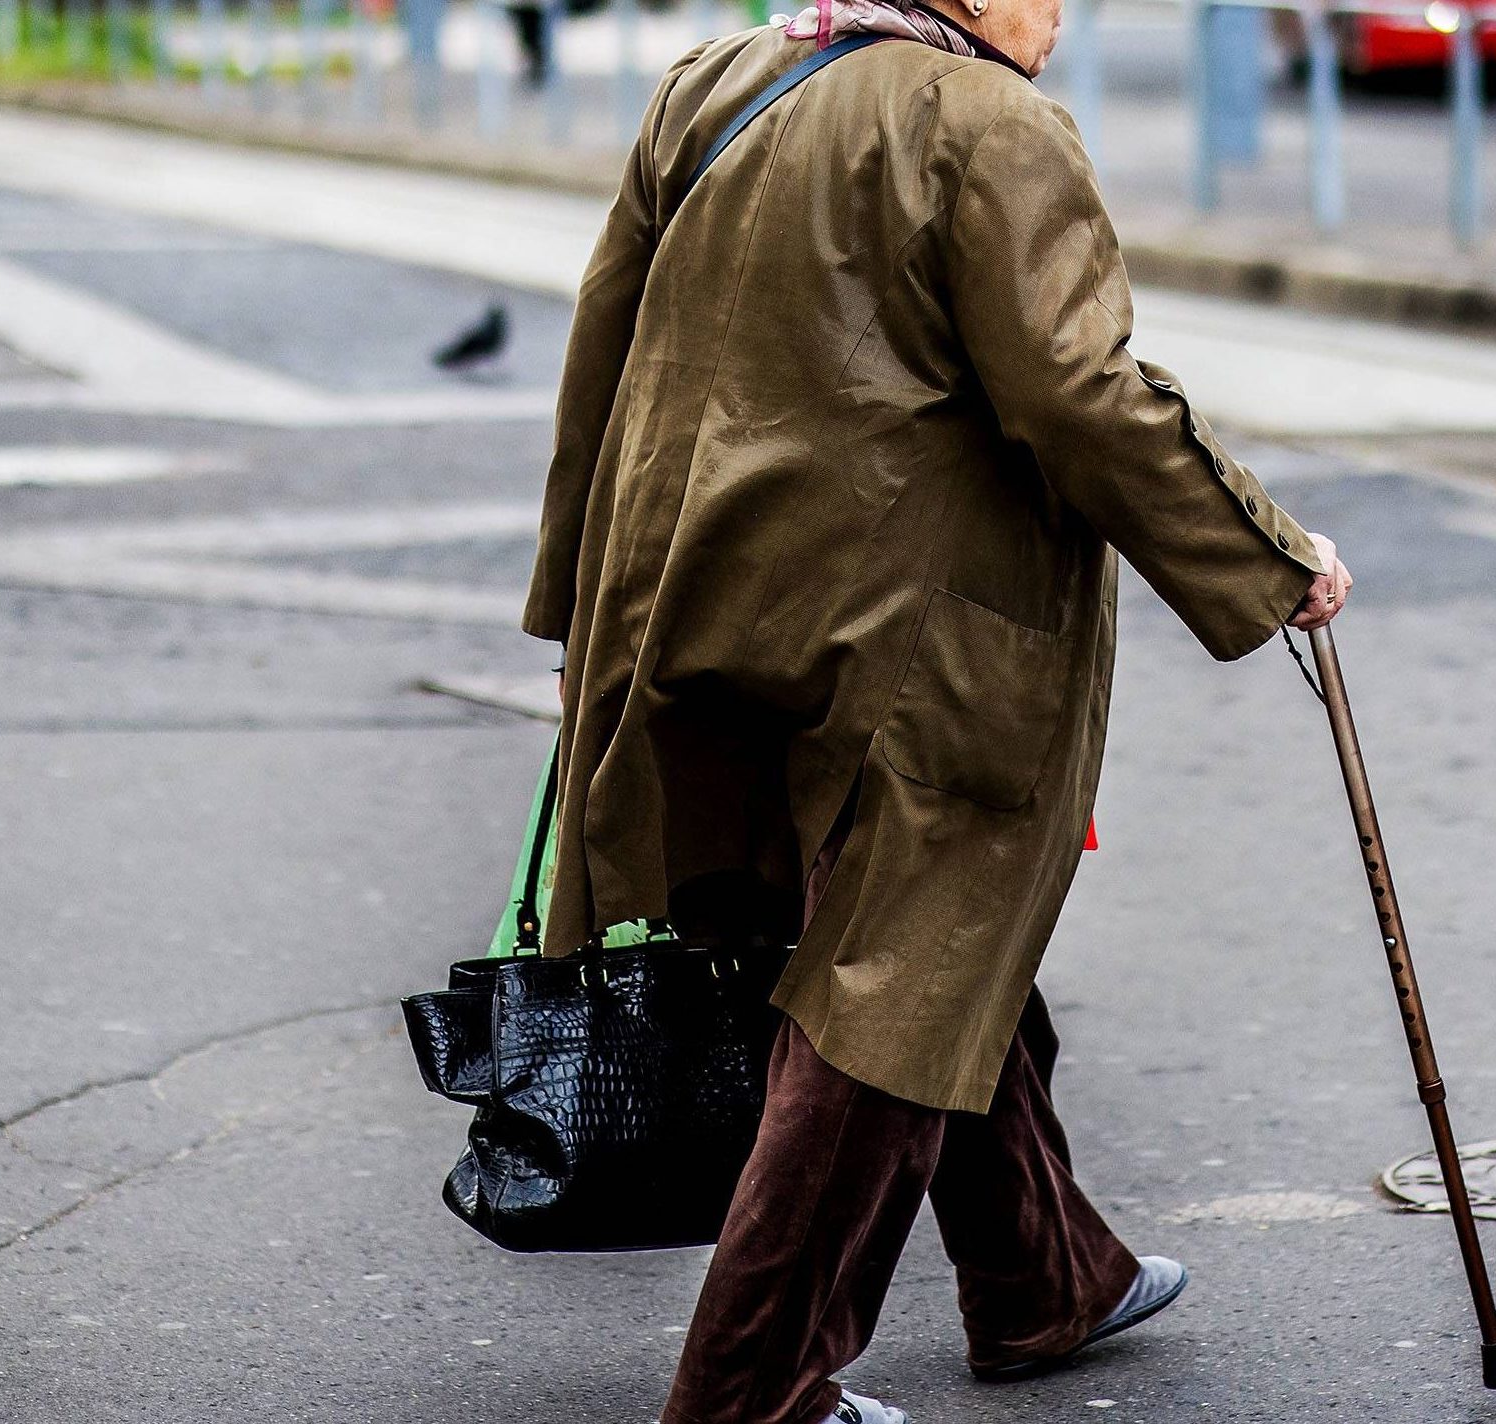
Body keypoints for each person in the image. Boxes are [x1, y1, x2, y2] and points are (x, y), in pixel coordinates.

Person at [524, 0, 1353, 1418]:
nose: (1066, 14)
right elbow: (1081, 397)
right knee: (896, 984)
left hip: (697, 602)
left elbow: (600, 361)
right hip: (910, 641)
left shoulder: (716, 81)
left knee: (923, 939)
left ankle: (1045, 1276)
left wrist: (577, 608)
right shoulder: (994, 127)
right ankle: (751, 1391)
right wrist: (1272, 558)